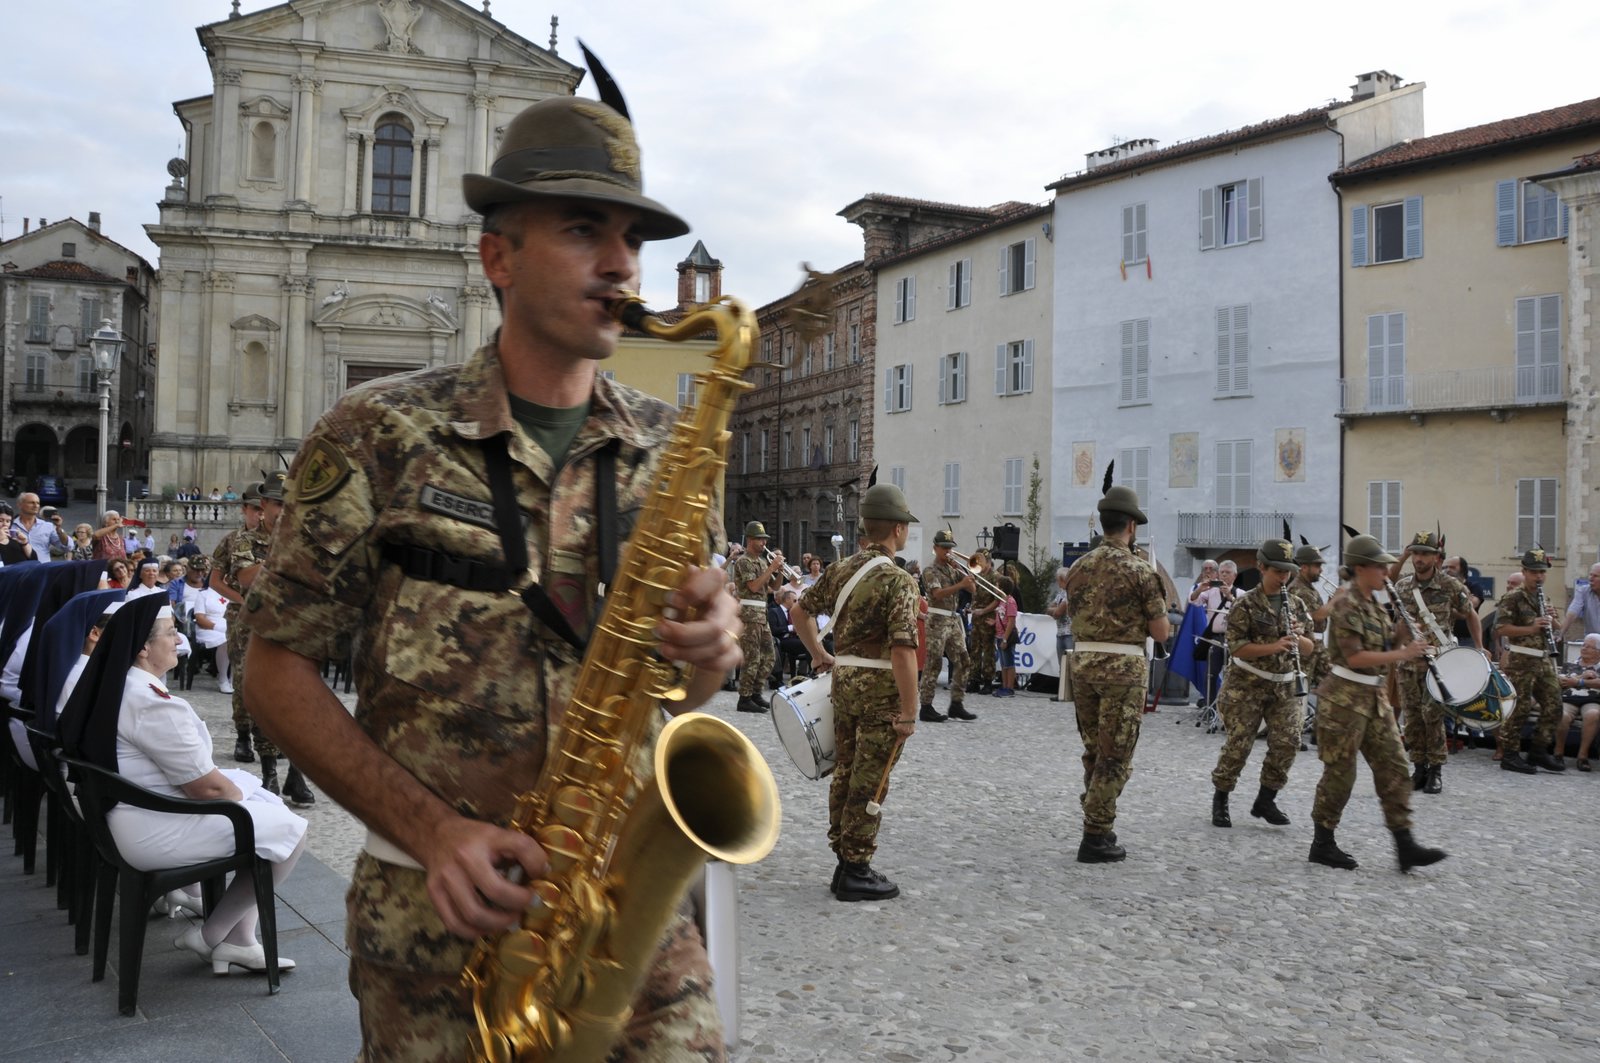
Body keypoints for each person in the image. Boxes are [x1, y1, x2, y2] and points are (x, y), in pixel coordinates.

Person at [242, 90, 743, 1061]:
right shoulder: (376, 431)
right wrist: (433, 832)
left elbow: (679, 690)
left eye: (631, 234)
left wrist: (709, 653)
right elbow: (273, 673)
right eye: (584, 228)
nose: (622, 262)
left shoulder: (668, 444)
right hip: (438, 936)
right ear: (499, 256)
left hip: (630, 917)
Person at [56, 595, 307, 975]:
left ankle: (239, 942)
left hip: (131, 818)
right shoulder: (150, 701)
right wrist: (241, 792)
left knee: (268, 814)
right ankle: (212, 937)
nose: (179, 640)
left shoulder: (120, 686)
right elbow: (207, 790)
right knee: (292, 831)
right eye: (171, 633)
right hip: (153, 829)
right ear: (143, 648)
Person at [792, 483, 921, 901]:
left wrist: (819, 654)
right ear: (898, 529)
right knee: (871, 776)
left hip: (844, 682)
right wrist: (910, 710)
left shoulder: (842, 568)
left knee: (845, 769)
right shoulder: (899, 580)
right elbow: (903, 650)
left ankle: (844, 858)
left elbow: (799, 610)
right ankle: (856, 866)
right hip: (881, 687)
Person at [1307, 535, 1446, 873]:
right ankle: (1323, 842)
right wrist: (1404, 653)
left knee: (1395, 769)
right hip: (1343, 699)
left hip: (1374, 699)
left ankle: (1405, 844)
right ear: (1360, 568)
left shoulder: (1374, 604)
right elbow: (1355, 657)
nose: (1386, 571)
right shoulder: (1346, 604)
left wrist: (1403, 631)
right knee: (1340, 774)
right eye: (1380, 565)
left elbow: (1384, 644)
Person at [1063, 484, 1169, 863]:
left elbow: (1073, 613)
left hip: (1084, 664)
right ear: (1131, 526)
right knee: (1115, 755)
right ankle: (1095, 833)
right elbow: (1160, 632)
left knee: (1094, 749)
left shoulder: (1078, 566)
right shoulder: (1140, 571)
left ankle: (1097, 817)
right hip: (1123, 669)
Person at [1209, 538, 1315, 830]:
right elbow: (1238, 647)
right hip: (1246, 685)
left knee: (1288, 743)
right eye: (1278, 571)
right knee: (1238, 745)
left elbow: (1309, 648)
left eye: (1287, 572)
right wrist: (1275, 646)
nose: (1284, 577)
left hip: (1283, 686)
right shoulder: (1245, 603)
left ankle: (1266, 799)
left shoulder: (1297, 604)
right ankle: (1221, 799)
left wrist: (1298, 637)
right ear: (1261, 567)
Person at [228, 474, 313, 806]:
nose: (284, 511)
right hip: (258, 633)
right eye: (278, 504)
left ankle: (296, 773)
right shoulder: (244, 541)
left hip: (297, 632)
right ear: (262, 506)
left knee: (300, 706)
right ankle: (269, 773)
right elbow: (247, 576)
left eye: (289, 505)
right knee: (265, 703)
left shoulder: (302, 539)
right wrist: (290, 565)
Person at [1387, 532, 1487, 794]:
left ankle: (1436, 770)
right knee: (1412, 718)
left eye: (1424, 554)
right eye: (1416, 553)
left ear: (1435, 557)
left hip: (1438, 662)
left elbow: (1471, 615)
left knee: (1433, 717)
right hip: (1409, 663)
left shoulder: (1450, 585)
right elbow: (1397, 624)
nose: (1419, 558)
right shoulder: (1403, 587)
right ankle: (1418, 768)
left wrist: (1479, 647)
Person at [1495, 548, 1566, 774]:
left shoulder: (1543, 596)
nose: (1539, 577)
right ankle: (1510, 755)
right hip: (1521, 660)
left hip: (1543, 660)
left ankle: (1538, 750)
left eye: (1542, 572)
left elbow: (1557, 628)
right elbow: (1500, 628)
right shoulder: (1513, 597)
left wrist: (1554, 620)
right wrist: (1532, 627)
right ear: (1524, 571)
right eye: (1534, 572)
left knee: (1555, 704)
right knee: (1520, 708)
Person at [726, 520, 786, 713]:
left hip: (762, 614)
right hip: (749, 614)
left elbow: (772, 589)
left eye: (764, 540)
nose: (764, 543)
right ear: (750, 540)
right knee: (752, 657)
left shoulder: (761, 562)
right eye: (760, 539)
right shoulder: (744, 561)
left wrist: (780, 573)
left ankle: (756, 693)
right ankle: (744, 698)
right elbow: (752, 587)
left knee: (769, 657)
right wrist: (771, 568)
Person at [917, 529, 975, 722]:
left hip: (952, 619)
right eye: (944, 548)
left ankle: (956, 703)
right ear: (935, 548)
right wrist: (960, 585)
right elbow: (936, 594)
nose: (948, 551)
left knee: (964, 659)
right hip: (937, 620)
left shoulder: (953, 570)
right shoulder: (929, 570)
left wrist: (966, 572)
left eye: (950, 548)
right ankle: (926, 706)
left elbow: (972, 588)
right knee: (934, 662)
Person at [1196, 560, 1244, 708]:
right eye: (1222, 572)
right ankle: (1210, 706)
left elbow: (1244, 612)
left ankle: (1232, 707)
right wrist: (1200, 589)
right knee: (1211, 674)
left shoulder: (1241, 594)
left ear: (1234, 576)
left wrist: (1230, 597)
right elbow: (1194, 602)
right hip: (1216, 638)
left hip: (1235, 640)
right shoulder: (1210, 591)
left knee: (1237, 675)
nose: (1224, 575)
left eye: (1227, 573)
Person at [1555, 633, 1600, 770]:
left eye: (1589, 647)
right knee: (1562, 715)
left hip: (1593, 699)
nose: (1584, 648)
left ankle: (1582, 756)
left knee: (1592, 714)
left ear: (1598, 652)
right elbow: (1562, 682)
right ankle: (1558, 753)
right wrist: (1583, 677)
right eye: (1584, 645)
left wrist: (1578, 681)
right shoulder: (1570, 664)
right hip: (1570, 699)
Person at [992, 575, 1020, 698]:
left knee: (1009, 662)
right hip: (999, 635)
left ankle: (1010, 687)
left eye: (997, 585)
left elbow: (1011, 621)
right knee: (1003, 663)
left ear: (1002, 588)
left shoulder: (1010, 601)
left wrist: (1005, 638)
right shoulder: (1001, 600)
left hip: (1006, 636)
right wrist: (994, 623)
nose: (995, 587)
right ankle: (1004, 686)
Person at [15, 492, 61, 561]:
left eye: (38, 503)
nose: (36, 506)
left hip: (42, 569)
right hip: (16, 570)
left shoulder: (47, 526)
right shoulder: (10, 525)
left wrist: (59, 528)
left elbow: (67, 547)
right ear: (20, 505)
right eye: (31, 503)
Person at [1562, 563, 1600, 642]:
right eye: (1590, 575)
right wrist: (1561, 633)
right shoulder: (1583, 591)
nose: (1591, 578)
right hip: (1592, 642)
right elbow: (1573, 612)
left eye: (1595, 576)